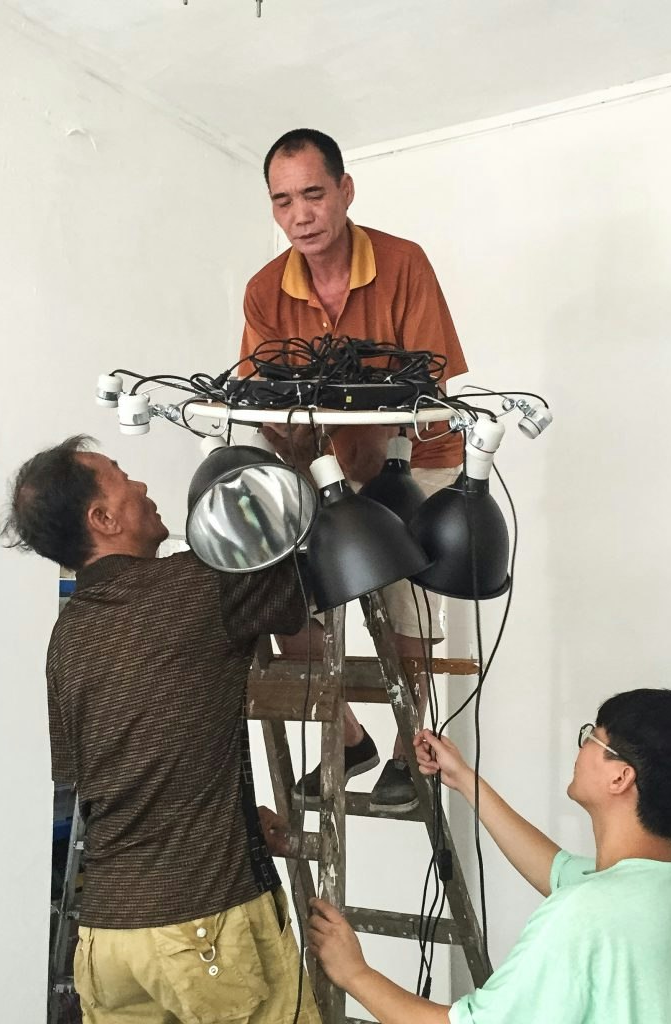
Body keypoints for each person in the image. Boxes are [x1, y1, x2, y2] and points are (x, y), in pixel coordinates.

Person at [2, 435, 320, 1024]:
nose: (143, 487)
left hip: (105, 943)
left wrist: (238, 816)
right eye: (123, 478)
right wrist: (301, 460)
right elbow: (298, 557)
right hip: (203, 930)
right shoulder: (200, 585)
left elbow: (96, 774)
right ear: (103, 518)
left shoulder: (65, 638)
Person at [240, 127, 470, 815]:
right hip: (324, 459)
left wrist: (367, 453)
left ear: (345, 191)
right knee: (279, 584)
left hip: (415, 454)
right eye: (282, 201)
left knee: (406, 601)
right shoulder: (262, 290)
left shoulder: (404, 263)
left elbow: (429, 387)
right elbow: (262, 395)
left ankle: (408, 750)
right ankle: (346, 740)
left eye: (313, 194)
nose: (300, 215)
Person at [306, 688, 671, 1024]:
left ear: (621, 777)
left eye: (592, 738)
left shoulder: (586, 912)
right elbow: (559, 870)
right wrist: (466, 781)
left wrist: (354, 973)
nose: (581, 746)